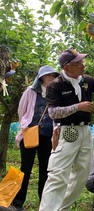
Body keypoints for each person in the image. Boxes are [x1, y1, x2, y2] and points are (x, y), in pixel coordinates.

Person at [39, 49, 94, 211]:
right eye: (78, 63)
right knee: (58, 175)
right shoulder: (55, 85)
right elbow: (52, 113)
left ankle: (62, 208)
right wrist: (78, 107)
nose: (82, 66)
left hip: (84, 131)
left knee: (82, 174)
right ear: (67, 68)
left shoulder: (87, 80)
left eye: (82, 62)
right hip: (65, 132)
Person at [11, 65, 59, 211]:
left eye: (53, 75)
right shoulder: (30, 92)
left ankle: (44, 202)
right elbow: (22, 110)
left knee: (46, 169)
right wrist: (26, 125)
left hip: (48, 136)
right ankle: (18, 202)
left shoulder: (56, 94)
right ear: (41, 77)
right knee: (25, 168)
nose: (51, 77)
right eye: (48, 75)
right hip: (30, 135)